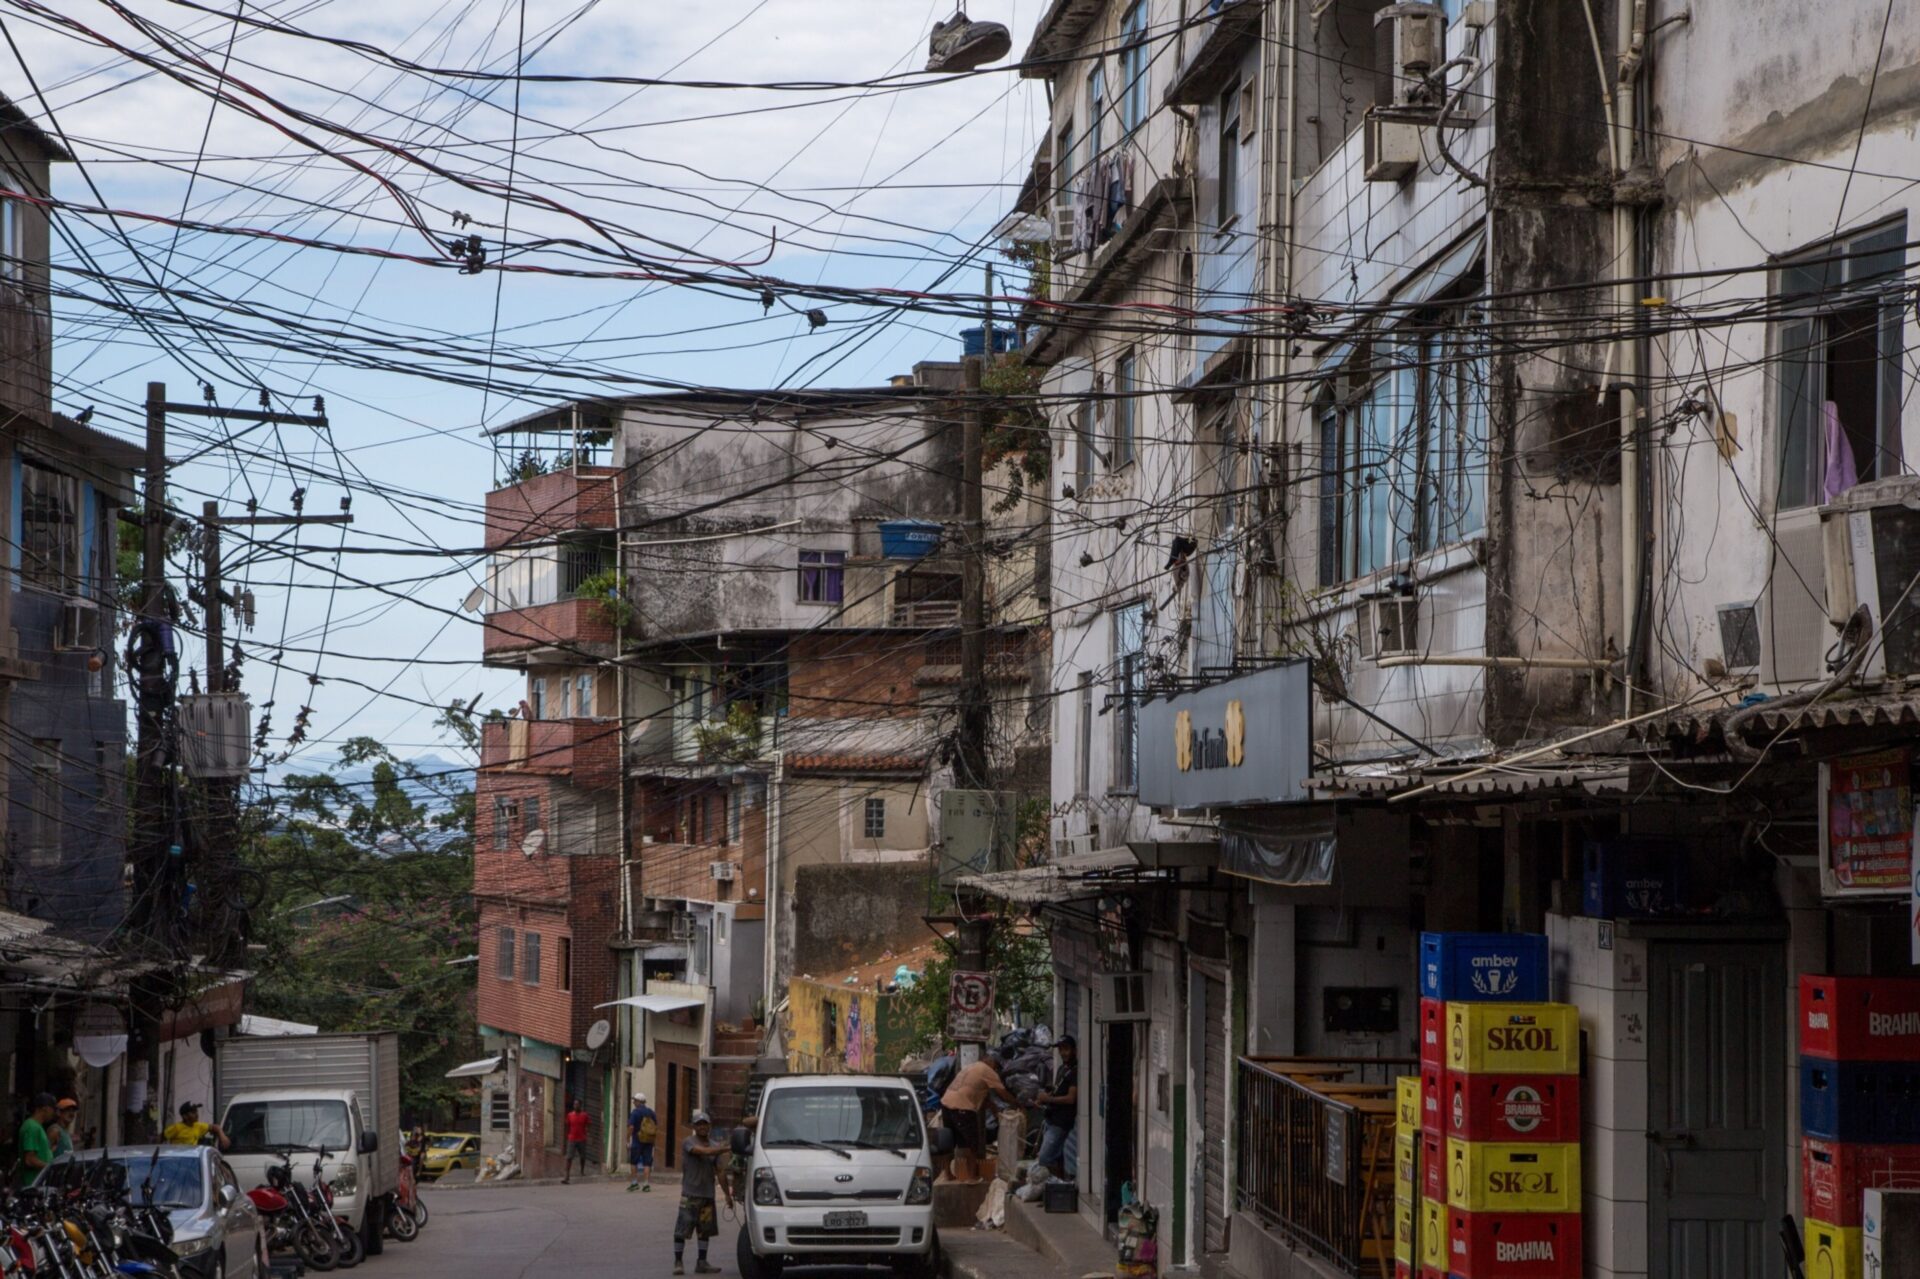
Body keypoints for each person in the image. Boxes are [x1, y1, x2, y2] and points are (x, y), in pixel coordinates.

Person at [673, 1111, 729, 1275]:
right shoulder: (688, 1142)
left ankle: (702, 1262)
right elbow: (703, 1152)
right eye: (699, 1124)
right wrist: (724, 1148)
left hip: (707, 1195)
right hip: (690, 1194)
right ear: (694, 1127)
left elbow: (720, 1171)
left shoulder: (714, 1146)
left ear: (709, 1126)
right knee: (682, 1229)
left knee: (705, 1231)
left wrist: (727, 1194)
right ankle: (678, 1261)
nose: (702, 1127)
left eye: (705, 1124)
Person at [939, 1052, 1014, 1171]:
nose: (996, 1069)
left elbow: (982, 1097)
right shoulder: (988, 1070)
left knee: (950, 1142)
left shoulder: (972, 1067)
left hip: (946, 1103)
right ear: (991, 1062)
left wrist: (995, 1111)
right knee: (973, 1144)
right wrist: (1018, 1104)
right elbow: (1003, 1094)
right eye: (996, 1067)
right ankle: (972, 1176)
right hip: (962, 1107)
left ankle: (948, 1175)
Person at [1035, 1035, 1079, 1180]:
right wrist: (1043, 1099)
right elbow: (1056, 1090)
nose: (1063, 1052)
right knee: (1057, 1158)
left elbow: (1071, 1098)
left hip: (1061, 1122)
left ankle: (1055, 1189)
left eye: (1066, 1049)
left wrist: (1049, 1099)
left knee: (1045, 1159)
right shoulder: (1062, 1068)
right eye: (1060, 1049)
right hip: (1051, 1119)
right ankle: (1059, 1191)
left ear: (1074, 1050)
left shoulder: (1075, 1071)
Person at [16, 1094, 55, 1187]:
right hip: (32, 1183)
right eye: (53, 1109)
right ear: (45, 1108)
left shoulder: (37, 1127)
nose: (53, 1113)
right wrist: (50, 1167)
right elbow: (29, 1159)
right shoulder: (32, 1127)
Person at [162, 1102, 229, 1149]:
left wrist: (222, 1136)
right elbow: (160, 1138)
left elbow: (215, 1127)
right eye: (193, 1112)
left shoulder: (198, 1126)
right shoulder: (176, 1128)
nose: (197, 1114)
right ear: (185, 1116)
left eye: (196, 1111)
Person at [626, 1093, 658, 1193]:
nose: (634, 1102)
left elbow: (631, 1127)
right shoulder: (651, 1112)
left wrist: (627, 1139)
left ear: (639, 1102)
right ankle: (646, 1184)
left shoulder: (635, 1112)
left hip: (637, 1140)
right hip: (649, 1141)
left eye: (635, 1100)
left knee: (633, 1162)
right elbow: (655, 1126)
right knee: (647, 1163)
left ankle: (634, 1183)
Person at [562, 1099, 591, 1184]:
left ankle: (582, 1171)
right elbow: (567, 1126)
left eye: (577, 1104)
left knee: (583, 1156)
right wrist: (566, 1137)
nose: (576, 1106)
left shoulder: (584, 1115)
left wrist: (587, 1133)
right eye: (574, 1104)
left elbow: (589, 1124)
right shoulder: (570, 1115)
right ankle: (566, 1176)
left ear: (580, 1106)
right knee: (569, 1157)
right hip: (572, 1139)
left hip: (582, 1138)